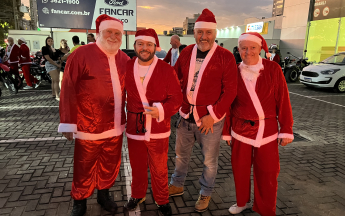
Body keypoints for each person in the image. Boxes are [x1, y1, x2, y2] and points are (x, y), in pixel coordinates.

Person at [58, 14, 130, 216]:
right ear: (100, 32)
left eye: (118, 33)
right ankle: (79, 200)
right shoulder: (81, 54)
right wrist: (68, 122)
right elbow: (68, 89)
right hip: (88, 125)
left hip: (115, 125)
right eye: (110, 32)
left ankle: (103, 193)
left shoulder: (124, 58)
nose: (114, 36)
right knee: (84, 166)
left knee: (109, 163)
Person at [169, 8, 238, 213]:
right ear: (194, 33)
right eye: (200, 32)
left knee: (209, 161)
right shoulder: (187, 51)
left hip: (209, 120)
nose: (203, 36)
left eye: (208, 32)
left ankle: (206, 191)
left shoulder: (225, 56)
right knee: (181, 155)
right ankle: (177, 184)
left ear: (215, 33)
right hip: (185, 116)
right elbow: (174, 78)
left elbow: (231, 91)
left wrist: (214, 115)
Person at [226, 32, 294, 216]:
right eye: (243, 48)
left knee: (268, 172)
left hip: (267, 130)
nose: (248, 52)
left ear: (260, 48)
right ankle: (242, 202)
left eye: (252, 47)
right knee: (239, 169)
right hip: (240, 129)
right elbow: (227, 104)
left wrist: (286, 129)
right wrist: (226, 131)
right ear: (238, 49)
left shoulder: (273, 68)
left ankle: (266, 208)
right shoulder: (233, 70)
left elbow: (283, 100)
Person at [124, 29, 182, 216]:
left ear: (155, 47)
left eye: (149, 44)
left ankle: (162, 199)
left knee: (159, 167)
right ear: (134, 46)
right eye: (140, 44)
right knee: (137, 165)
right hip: (134, 126)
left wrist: (161, 110)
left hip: (157, 127)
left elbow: (177, 98)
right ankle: (137, 194)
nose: (144, 48)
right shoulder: (127, 66)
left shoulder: (166, 69)